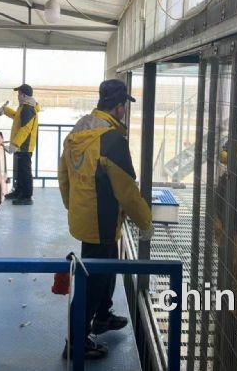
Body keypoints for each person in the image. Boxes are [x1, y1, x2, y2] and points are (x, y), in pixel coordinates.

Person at [58, 79, 153, 360]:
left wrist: (73, 205)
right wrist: (145, 222)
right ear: (120, 107)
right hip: (102, 220)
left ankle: (102, 316)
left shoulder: (79, 129)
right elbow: (127, 192)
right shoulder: (112, 141)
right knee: (93, 281)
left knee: (107, 268)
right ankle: (75, 342)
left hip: (85, 215)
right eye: (125, 106)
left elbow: (63, 174)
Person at [0, 83, 40, 205]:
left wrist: (15, 144)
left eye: (19, 94)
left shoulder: (28, 109)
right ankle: (19, 192)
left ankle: (26, 196)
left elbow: (25, 128)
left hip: (24, 146)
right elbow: (17, 117)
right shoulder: (24, 107)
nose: (18, 96)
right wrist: (5, 110)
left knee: (25, 171)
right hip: (21, 145)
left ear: (24, 95)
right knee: (20, 170)